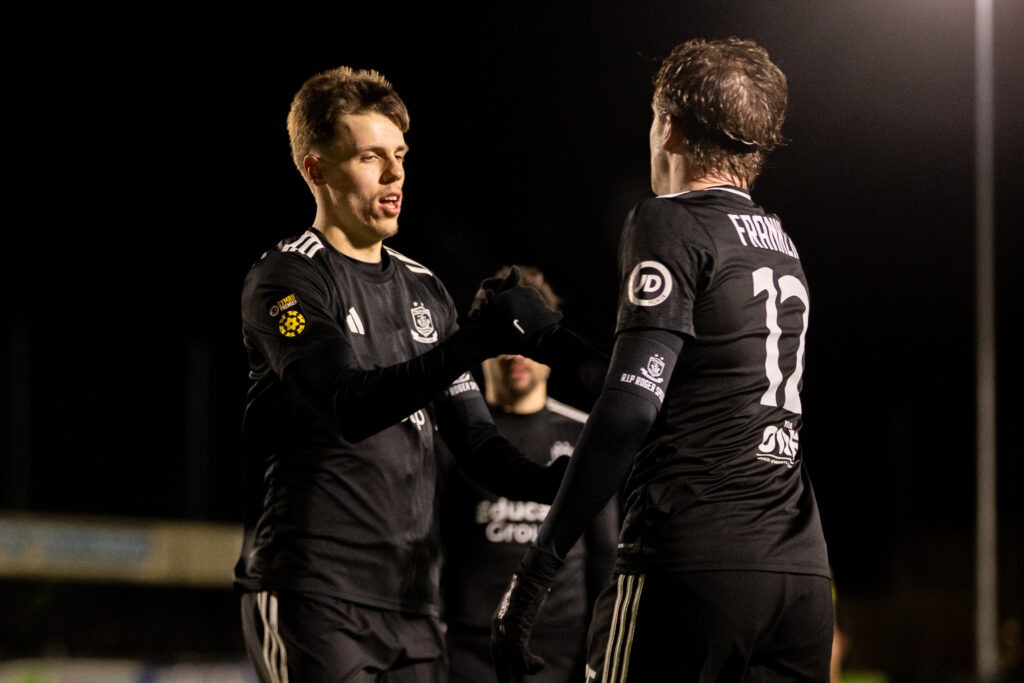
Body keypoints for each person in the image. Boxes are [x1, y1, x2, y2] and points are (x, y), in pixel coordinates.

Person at [489, 37, 834, 682]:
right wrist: (547, 336)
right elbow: (669, 379)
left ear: (668, 125)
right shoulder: (780, 244)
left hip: (690, 561)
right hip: (798, 574)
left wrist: (537, 570)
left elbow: (629, 410)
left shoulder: (670, 221)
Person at [234, 65, 568, 683]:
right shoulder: (286, 278)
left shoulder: (425, 289)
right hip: (315, 597)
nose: (395, 175)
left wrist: (564, 482)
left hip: (414, 607)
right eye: (370, 157)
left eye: (401, 155)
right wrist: (474, 343)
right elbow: (348, 404)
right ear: (316, 169)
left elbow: (476, 441)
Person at [439, 265, 620, 683]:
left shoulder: (586, 435)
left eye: (526, 339)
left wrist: (600, 644)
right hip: (466, 645)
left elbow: (604, 553)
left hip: (560, 645)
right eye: (502, 339)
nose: (515, 353)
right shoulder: (448, 436)